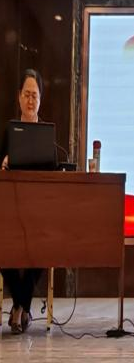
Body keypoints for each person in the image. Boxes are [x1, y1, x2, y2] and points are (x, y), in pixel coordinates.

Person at [0, 69, 45, 334]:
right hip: (9, 211)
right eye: (26, 95)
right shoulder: (8, 132)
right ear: (19, 97)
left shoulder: (47, 133)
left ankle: (19, 307)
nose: (30, 101)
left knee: (46, 247)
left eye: (34, 96)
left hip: (38, 212)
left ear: (40, 99)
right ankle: (22, 305)